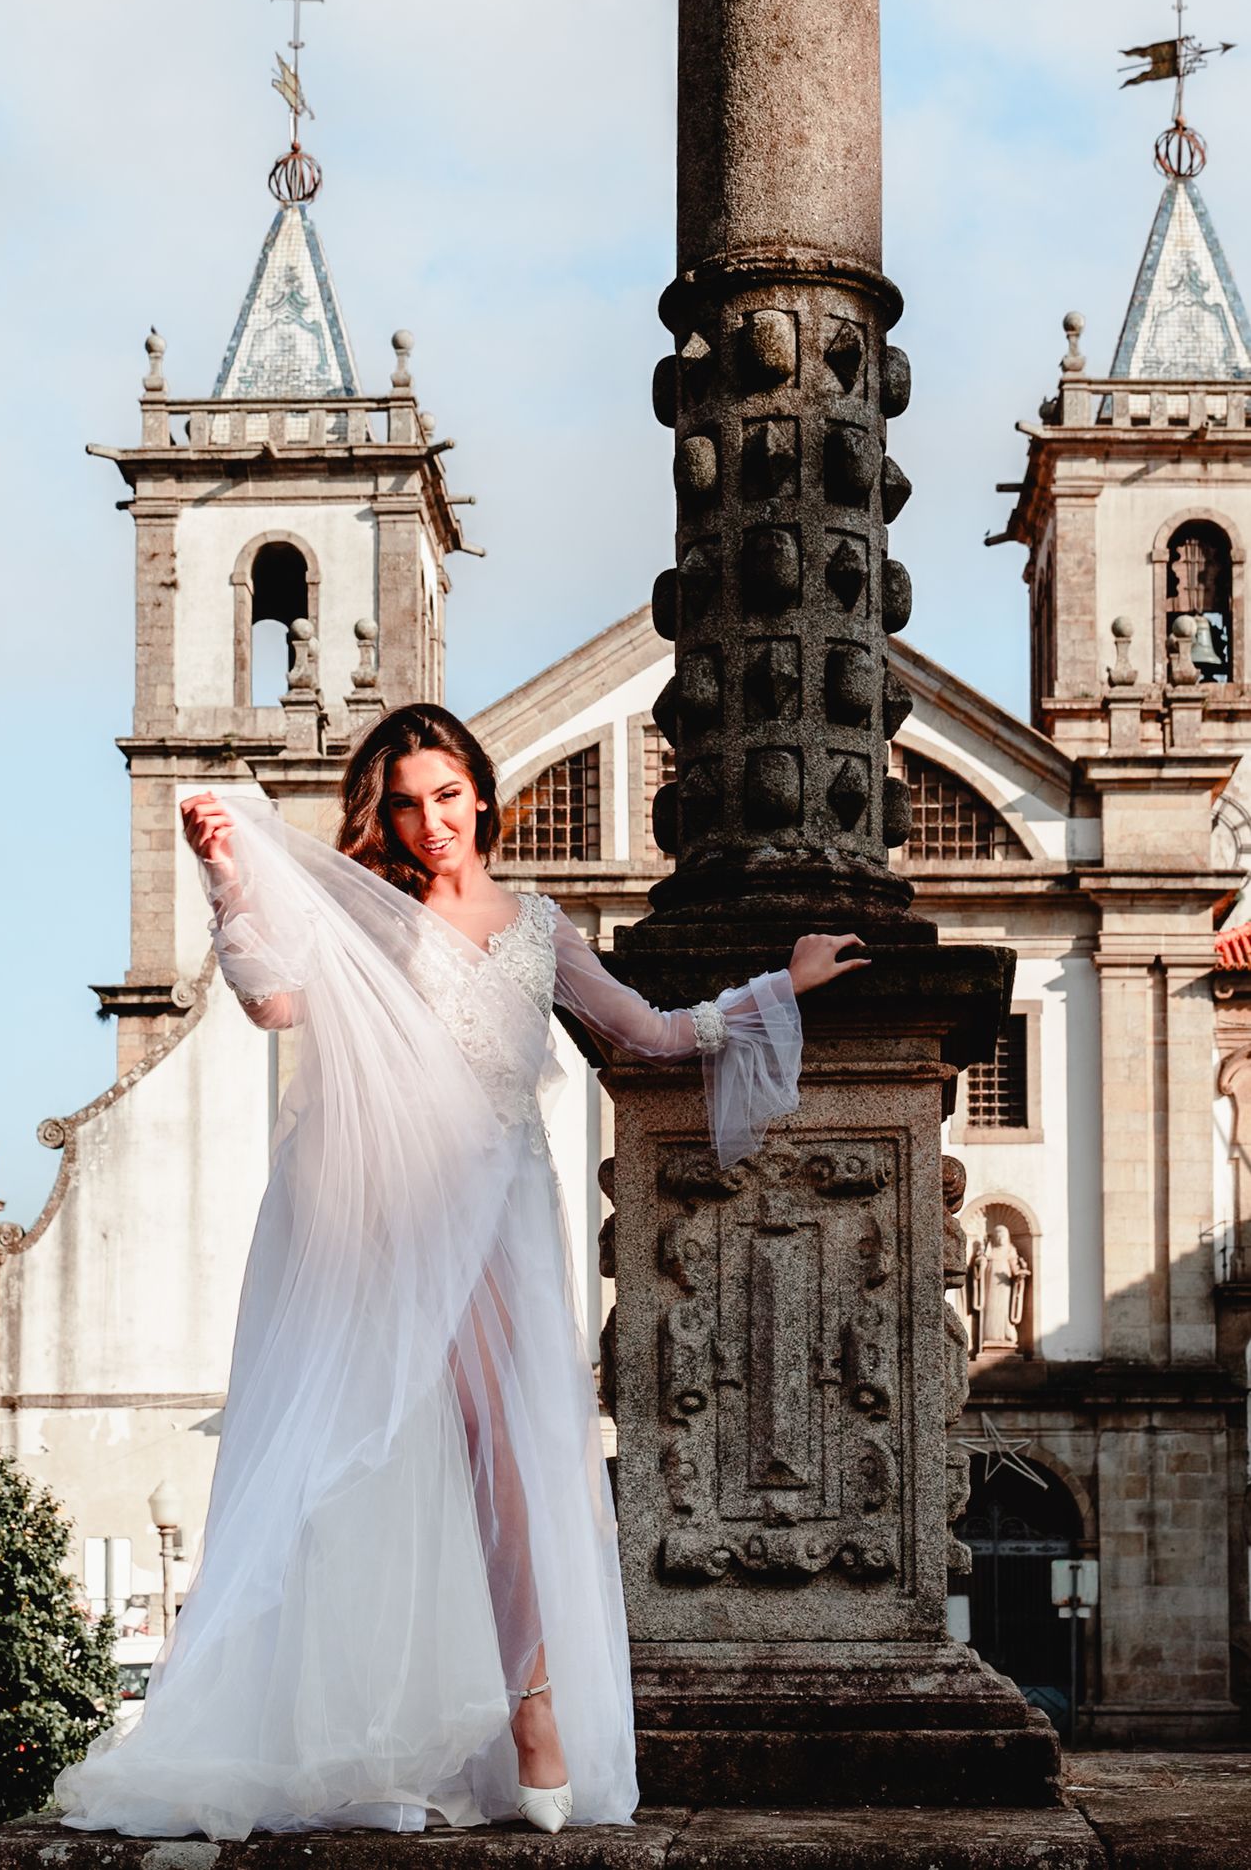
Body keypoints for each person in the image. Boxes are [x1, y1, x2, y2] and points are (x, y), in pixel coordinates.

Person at [55, 704, 865, 1841]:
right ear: (382, 815)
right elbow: (272, 1002)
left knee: (509, 1460)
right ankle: (365, 1738)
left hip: (494, 1221)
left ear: (481, 792)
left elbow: (645, 1034)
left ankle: (534, 1716)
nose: (431, 822)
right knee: (365, 1461)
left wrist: (780, 989)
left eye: (447, 795)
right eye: (405, 803)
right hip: (377, 1223)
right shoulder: (366, 916)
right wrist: (226, 871)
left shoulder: (538, 925)